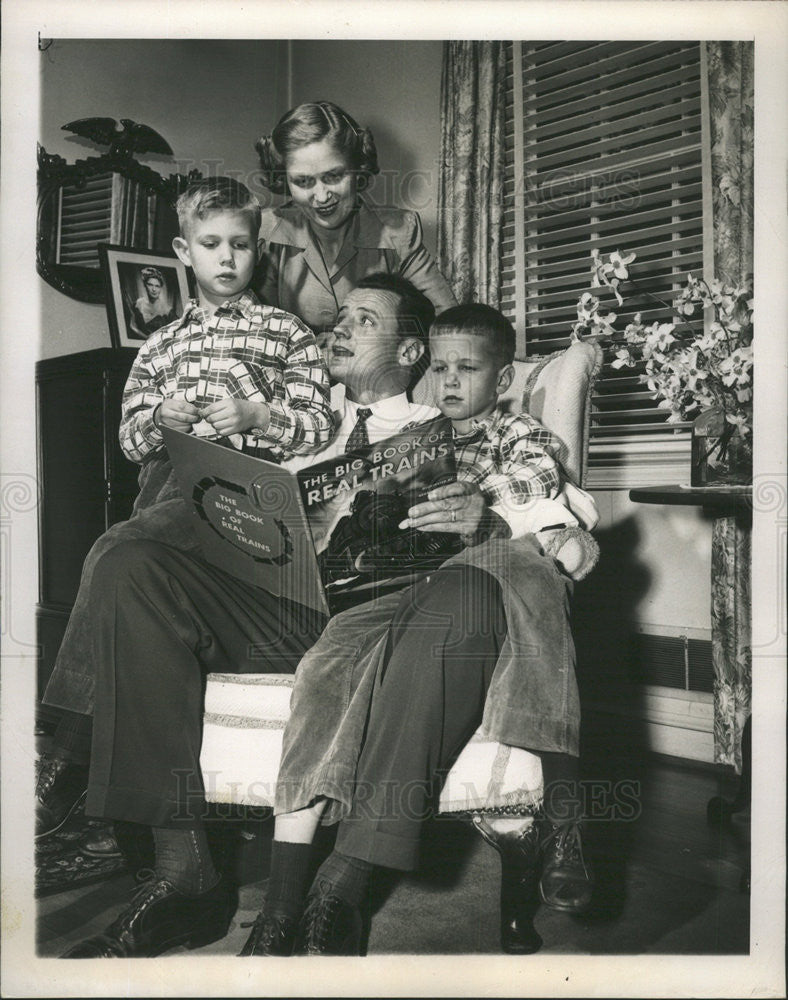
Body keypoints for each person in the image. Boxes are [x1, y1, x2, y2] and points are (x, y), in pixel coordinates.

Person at [58, 274, 441, 958]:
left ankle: (69, 749)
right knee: (127, 567)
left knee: (139, 559)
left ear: (411, 352)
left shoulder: (432, 434)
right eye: (340, 316)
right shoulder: (292, 409)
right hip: (254, 596)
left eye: (363, 320)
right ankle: (187, 877)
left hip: (339, 621)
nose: (341, 329)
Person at [240, 302, 598, 957]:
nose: (451, 380)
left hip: (480, 571)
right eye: (440, 368)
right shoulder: (416, 435)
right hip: (394, 585)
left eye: (468, 368)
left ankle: (564, 812)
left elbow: (543, 494)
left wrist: (488, 511)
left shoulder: (518, 434)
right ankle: (282, 903)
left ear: (504, 379)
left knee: (525, 576)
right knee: (323, 666)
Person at [36, 176, 334, 841]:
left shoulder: (286, 332)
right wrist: (161, 418)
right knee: (127, 547)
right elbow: (130, 439)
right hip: (166, 492)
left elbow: (320, 427)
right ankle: (125, 798)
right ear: (184, 250)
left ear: (259, 251)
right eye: (211, 244)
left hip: (249, 494)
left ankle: (67, 747)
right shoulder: (160, 345)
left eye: (241, 245)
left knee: (114, 548)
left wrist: (260, 413)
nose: (227, 258)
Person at [255, 100, 457, 338]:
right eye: (302, 181)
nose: (321, 197)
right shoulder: (266, 231)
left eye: (334, 176)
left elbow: (449, 325)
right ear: (284, 180)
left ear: (357, 170)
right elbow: (257, 330)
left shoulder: (398, 233)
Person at [129, 266, 176, 338]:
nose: (154, 289)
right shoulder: (137, 305)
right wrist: (146, 338)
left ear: (160, 288)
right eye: (150, 285)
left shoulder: (168, 312)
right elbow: (132, 326)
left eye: (157, 286)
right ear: (145, 285)